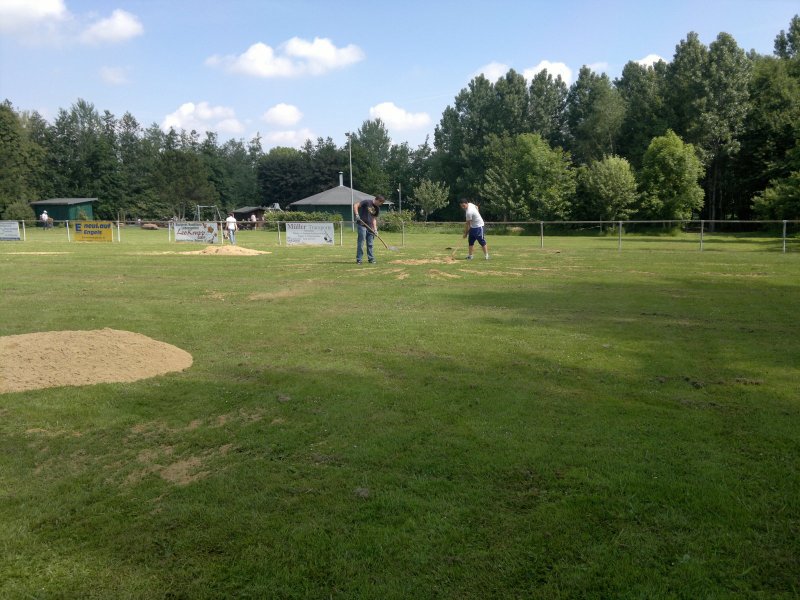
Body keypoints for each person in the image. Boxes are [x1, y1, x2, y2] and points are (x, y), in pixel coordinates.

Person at [353, 195, 385, 264]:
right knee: (361, 242)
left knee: (370, 244)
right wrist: (357, 215)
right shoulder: (367, 202)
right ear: (377, 200)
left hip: (371, 228)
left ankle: (371, 259)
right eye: (380, 203)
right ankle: (359, 259)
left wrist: (375, 230)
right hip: (362, 225)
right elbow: (355, 205)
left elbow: (374, 219)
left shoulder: (377, 208)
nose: (380, 204)